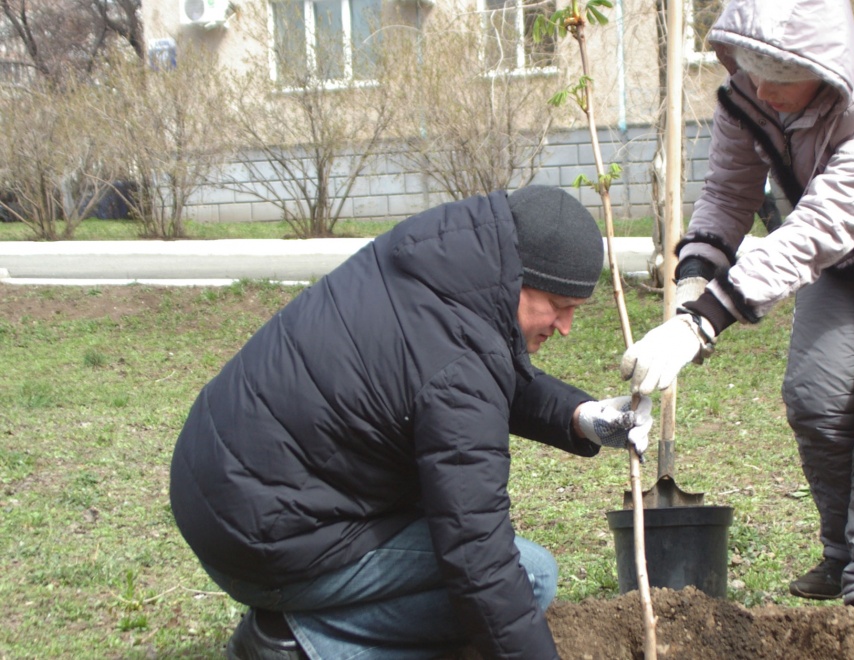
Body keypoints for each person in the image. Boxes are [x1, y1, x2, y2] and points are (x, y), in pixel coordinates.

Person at [620, 0, 854, 614]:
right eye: (752, 68)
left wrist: (703, 325)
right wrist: (692, 282)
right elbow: (726, 195)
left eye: (781, 74)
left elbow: (821, 227)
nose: (764, 89)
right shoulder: (748, 98)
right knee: (816, 396)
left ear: (823, 66)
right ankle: (846, 552)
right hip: (846, 255)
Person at [169, 185, 652, 660]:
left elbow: (466, 370)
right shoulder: (459, 360)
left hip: (222, 491)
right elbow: (476, 559)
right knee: (532, 575)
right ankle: (294, 643)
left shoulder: (438, 262)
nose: (565, 326)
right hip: (262, 542)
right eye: (558, 306)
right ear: (519, 280)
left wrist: (580, 417)